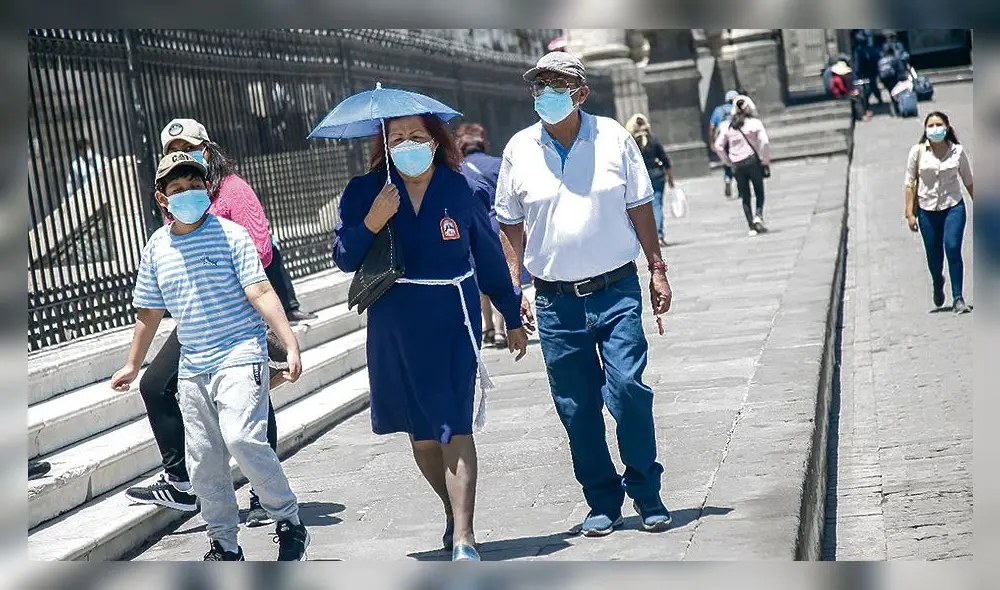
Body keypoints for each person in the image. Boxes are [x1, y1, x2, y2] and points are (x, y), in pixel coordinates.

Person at [332, 112, 529, 561]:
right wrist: (373, 221)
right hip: (395, 325)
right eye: (397, 137)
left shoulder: (460, 187)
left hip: (453, 320)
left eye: (416, 136)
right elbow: (345, 256)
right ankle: (450, 509)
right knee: (422, 436)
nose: (408, 144)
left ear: (436, 141)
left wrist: (510, 311)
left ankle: (465, 535)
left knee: (453, 424)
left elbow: (487, 251)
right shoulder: (366, 191)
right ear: (385, 144)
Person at [495, 51, 674, 537]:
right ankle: (602, 499)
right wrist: (517, 288)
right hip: (555, 301)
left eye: (556, 85)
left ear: (580, 93)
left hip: (616, 289)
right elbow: (509, 222)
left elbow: (640, 205)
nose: (545, 94)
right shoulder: (519, 149)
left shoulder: (613, 137)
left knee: (629, 391)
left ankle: (646, 489)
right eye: (539, 86)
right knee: (575, 405)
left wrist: (657, 268)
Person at [111, 153, 310, 561]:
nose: (188, 194)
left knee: (241, 436)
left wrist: (289, 342)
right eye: (178, 189)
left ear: (207, 189)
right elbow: (148, 312)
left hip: (240, 351)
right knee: (203, 462)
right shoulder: (156, 249)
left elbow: (260, 291)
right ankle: (224, 544)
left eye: (195, 186)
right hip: (193, 364)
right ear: (161, 199)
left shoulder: (232, 235)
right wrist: (133, 364)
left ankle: (289, 522)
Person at [160, 119, 317, 324]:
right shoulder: (175, 202)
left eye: (190, 147)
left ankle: (289, 306)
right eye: (175, 151)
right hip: (199, 314)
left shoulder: (233, 189)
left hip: (241, 310)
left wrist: (216, 277)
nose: (184, 155)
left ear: (206, 149)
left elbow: (261, 252)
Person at [904, 111, 974, 314]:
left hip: (954, 207)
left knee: (952, 248)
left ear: (947, 128)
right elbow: (909, 184)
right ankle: (937, 280)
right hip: (927, 211)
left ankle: (958, 298)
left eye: (939, 124)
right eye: (931, 125)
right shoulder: (917, 152)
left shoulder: (957, 152)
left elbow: (969, 181)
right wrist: (910, 213)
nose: (935, 129)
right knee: (934, 257)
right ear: (925, 130)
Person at [456, 122, 507, 349]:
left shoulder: (457, 169)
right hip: (497, 225)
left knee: (478, 280)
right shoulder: (497, 164)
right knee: (499, 277)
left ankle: (486, 328)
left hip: (470, 228)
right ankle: (499, 330)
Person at [713, 96, 771, 237]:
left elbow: (718, 146)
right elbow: (765, 142)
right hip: (752, 160)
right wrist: (765, 160)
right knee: (759, 191)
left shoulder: (727, 126)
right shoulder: (754, 123)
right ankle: (758, 215)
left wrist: (727, 161)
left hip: (736, 164)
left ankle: (751, 225)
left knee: (745, 195)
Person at [625, 114, 675, 245]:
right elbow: (665, 160)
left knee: (641, 208)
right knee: (657, 205)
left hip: (640, 178)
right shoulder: (653, 140)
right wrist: (670, 178)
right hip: (657, 175)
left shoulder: (631, 142)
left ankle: (644, 237)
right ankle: (659, 235)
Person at [709, 90, 739, 197]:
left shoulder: (718, 110)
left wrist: (712, 141)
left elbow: (712, 127)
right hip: (736, 139)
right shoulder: (738, 109)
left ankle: (727, 178)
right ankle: (740, 183)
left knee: (726, 161)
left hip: (722, 139)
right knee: (738, 159)